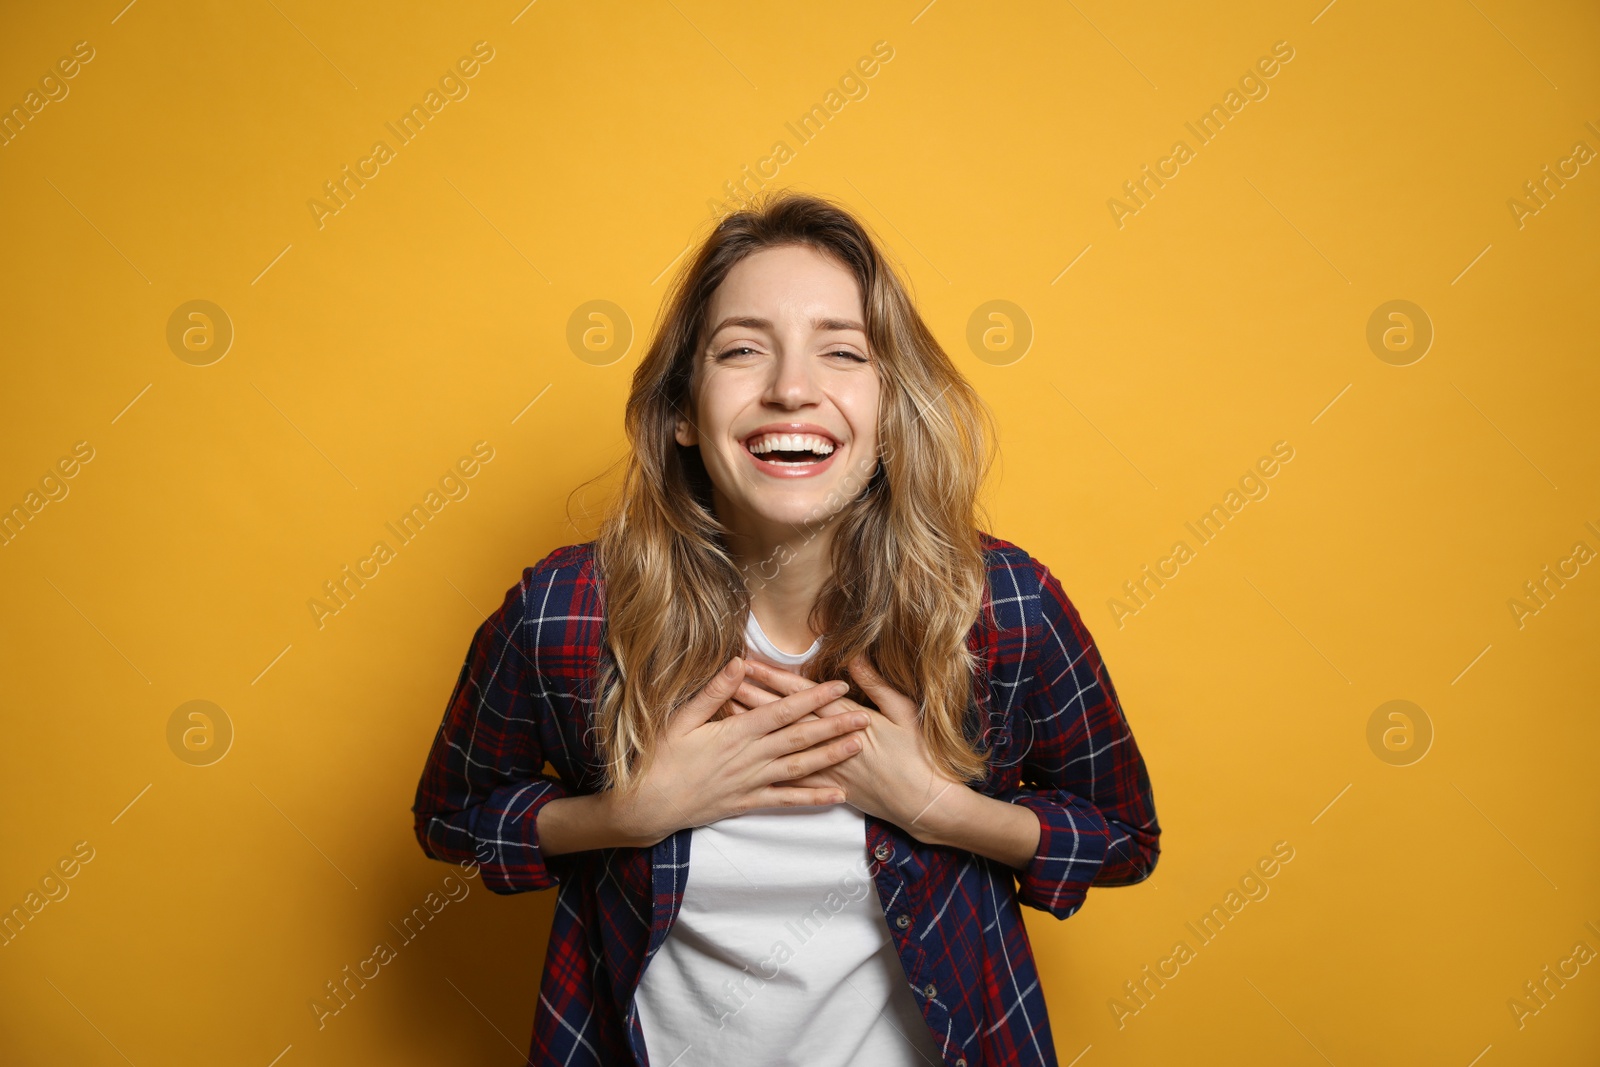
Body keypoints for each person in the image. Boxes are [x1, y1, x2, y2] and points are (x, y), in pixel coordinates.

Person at [411, 191, 1160, 1067]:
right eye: (741, 351)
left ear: (890, 412)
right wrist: (625, 815)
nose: (791, 389)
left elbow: (1121, 837)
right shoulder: (569, 612)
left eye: (841, 351)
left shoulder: (1002, 607)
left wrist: (938, 808)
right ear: (683, 412)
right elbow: (453, 817)